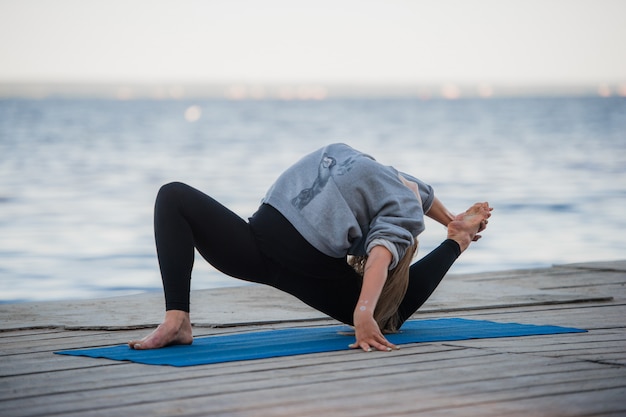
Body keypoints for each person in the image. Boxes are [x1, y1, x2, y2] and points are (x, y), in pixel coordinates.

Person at [129, 143, 492, 352]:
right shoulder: (402, 201)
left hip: (262, 246)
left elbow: (422, 194)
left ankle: (177, 318)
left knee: (172, 196)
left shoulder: (364, 162)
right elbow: (382, 254)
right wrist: (363, 314)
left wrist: (450, 220)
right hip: (276, 256)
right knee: (388, 315)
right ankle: (177, 322)